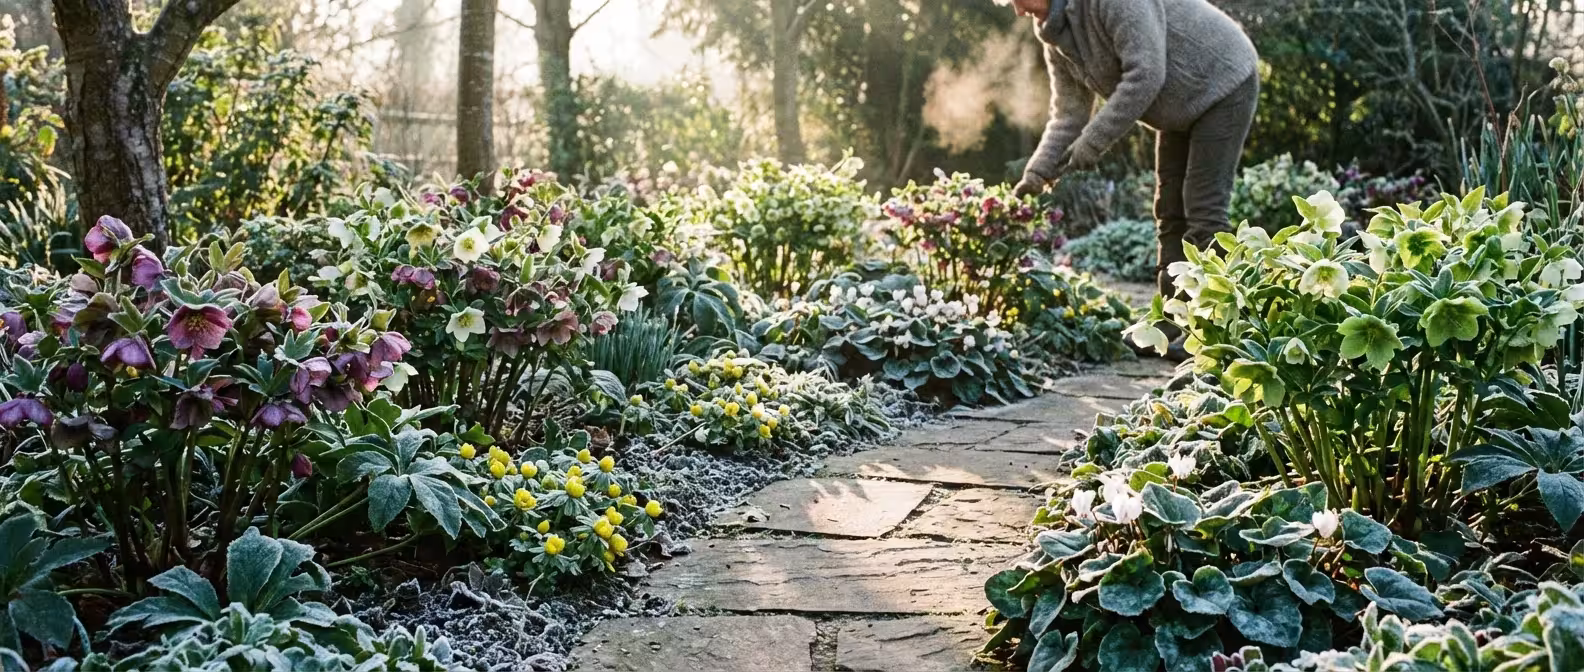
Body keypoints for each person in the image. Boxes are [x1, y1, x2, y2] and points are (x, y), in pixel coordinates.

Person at [1005, 0, 1259, 359]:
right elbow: (1068, 113)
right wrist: (1036, 174)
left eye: (1020, 0)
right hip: (1178, 106)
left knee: (1203, 210)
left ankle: (1216, 329)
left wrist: (1093, 142)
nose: (1018, 11)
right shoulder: (1054, 34)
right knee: (1169, 211)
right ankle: (1173, 320)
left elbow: (1146, 74)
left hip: (1223, 81)